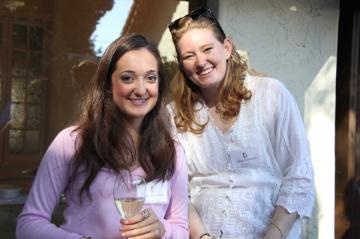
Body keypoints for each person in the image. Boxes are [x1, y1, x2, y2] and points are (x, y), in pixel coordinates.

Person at [16, 33, 189, 239]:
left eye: (151, 78)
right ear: (108, 84)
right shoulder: (72, 142)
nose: (141, 89)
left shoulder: (172, 151)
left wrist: (163, 230)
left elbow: (181, 228)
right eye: (127, 78)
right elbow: (28, 224)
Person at [167, 7, 315, 239]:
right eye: (188, 56)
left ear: (226, 48)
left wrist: (274, 235)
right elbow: (176, 190)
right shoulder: (175, 115)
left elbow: (299, 176)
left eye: (207, 49)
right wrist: (202, 236)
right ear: (181, 63)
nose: (200, 61)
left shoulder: (271, 95)